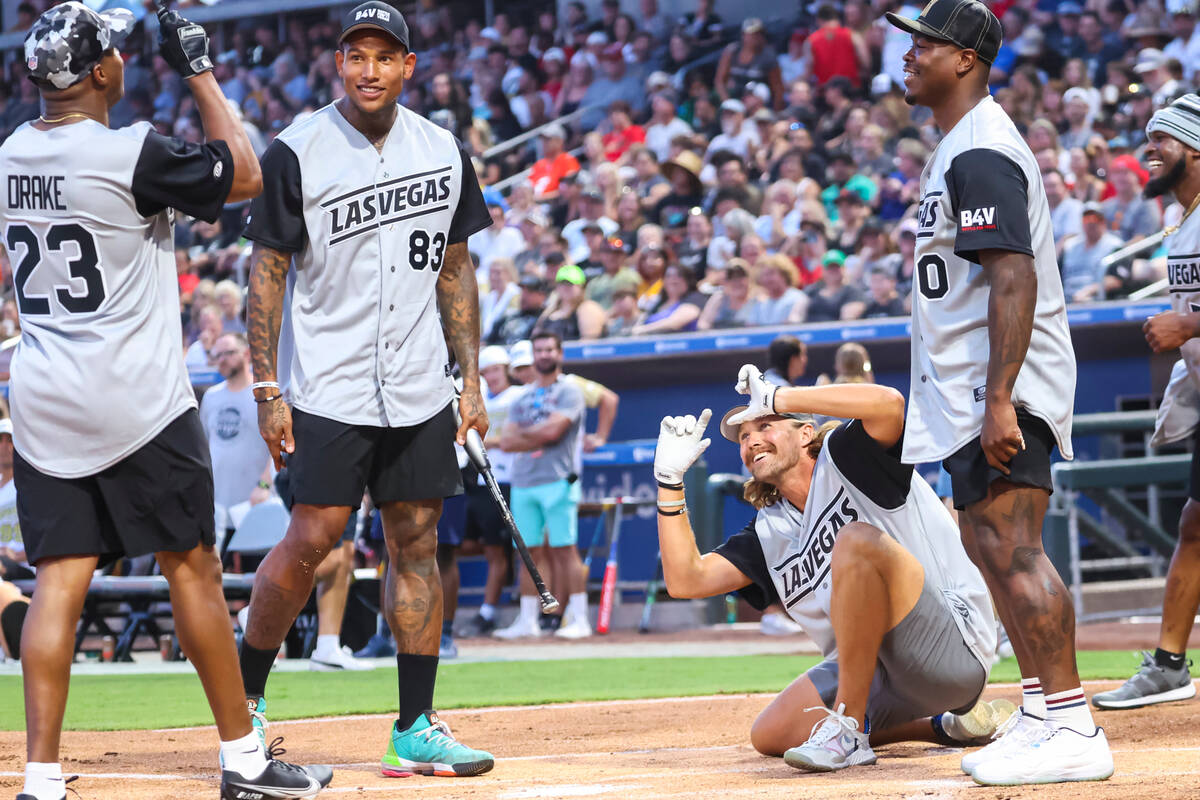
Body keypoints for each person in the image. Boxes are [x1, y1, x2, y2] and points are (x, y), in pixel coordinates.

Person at [2, 4, 329, 799]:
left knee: (59, 581)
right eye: (113, 53)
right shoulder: (128, 150)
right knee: (193, 568)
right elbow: (246, 174)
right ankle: (244, 763)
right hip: (136, 396)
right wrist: (198, 70)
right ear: (104, 72)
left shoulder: (10, 151)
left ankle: (39, 777)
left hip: (44, 393)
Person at [239, 1, 494, 779]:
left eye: (385, 57)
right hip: (328, 385)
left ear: (408, 67)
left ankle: (414, 728)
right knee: (313, 538)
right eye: (357, 56)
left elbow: (456, 268)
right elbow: (268, 272)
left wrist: (471, 378)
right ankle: (242, 705)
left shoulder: (443, 149)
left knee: (415, 543)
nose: (370, 70)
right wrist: (265, 385)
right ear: (338, 64)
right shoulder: (297, 149)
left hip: (418, 386)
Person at [886, 0, 1111, 784]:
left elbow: (1012, 275)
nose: (909, 54)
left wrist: (1000, 397)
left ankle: (1076, 721)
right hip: (971, 384)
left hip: (999, 384)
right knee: (988, 546)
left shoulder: (981, 149)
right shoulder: (958, 146)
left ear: (967, 60)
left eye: (925, 43)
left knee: (1014, 550)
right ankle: (1047, 711)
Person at [650, 368, 1006, 772]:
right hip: (880, 673)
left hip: (951, 648)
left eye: (765, 425)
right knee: (771, 734)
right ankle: (940, 727)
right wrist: (669, 481)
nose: (751, 441)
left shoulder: (848, 457)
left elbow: (890, 405)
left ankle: (849, 727)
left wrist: (780, 397)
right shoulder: (772, 529)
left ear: (805, 433)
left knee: (853, 541)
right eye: (744, 437)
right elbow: (685, 580)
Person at [1098, 94, 1200, 711]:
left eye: (1161, 138)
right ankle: (1168, 664)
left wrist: (1189, 329)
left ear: (1194, 146)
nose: (1149, 150)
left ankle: (1167, 663)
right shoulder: (1184, 224)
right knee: (1194, 525)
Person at [495, 332, 591, 640]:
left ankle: (580, 619)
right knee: (527, 554)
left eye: (549, 348)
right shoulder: (522, 396)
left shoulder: (570, 391)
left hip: (558, 479)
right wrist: (535, 434)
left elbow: (554, 431)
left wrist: (528, 435)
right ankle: (528, 620)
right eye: (539, 350)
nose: (544, 354)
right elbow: (507, 440)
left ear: (559, 353)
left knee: (565, 550)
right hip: (524, 481)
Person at [199, 333, 274, 541]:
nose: (222, 359)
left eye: (229, 353)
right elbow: (205, 444)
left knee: (257, 568)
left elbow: (279, 445)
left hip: (254, 502)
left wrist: (265, 485)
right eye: (217, 355)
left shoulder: (264, 395)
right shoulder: (211, 396)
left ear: (247, 353)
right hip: (218, 504)